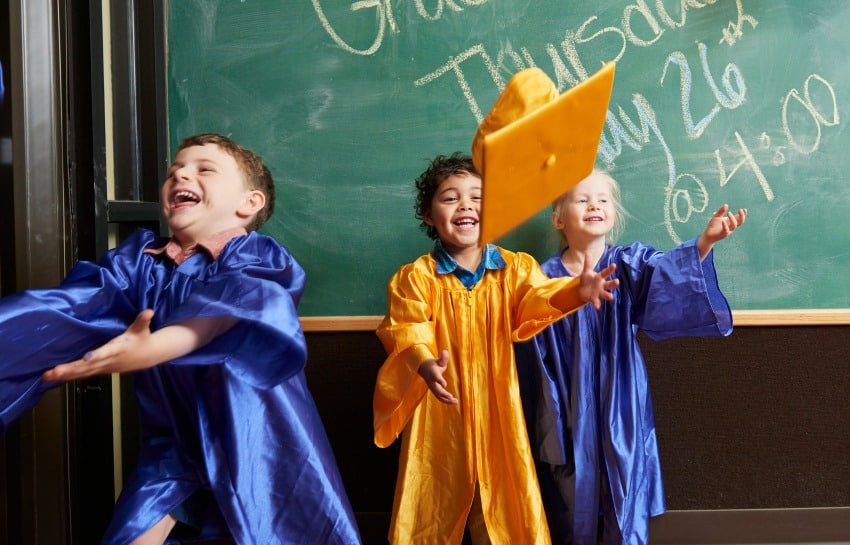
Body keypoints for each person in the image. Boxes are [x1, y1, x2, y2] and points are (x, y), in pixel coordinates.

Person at [0, 133, 362, 545]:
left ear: (249, 204)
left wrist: (153, 347)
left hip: (255, 443)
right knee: (133, 536)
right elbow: (65, 308)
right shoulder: (139, 263)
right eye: (175, 171)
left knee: (273, 533)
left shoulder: (258, 258)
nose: (181, 174)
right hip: (174, 448)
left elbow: (223, 314)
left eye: (204, 169)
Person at [372, 153, 620, 545]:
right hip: (440, 416)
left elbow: (539, 299)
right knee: (430, 506)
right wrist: (423, 363)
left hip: (499, 410)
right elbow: (407, 328)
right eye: (450, 198)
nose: (466, 205)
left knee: (506, 508)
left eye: (477, 197)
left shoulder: (515, 269)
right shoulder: (415, 278)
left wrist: (577, 290)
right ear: (428, 214)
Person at [514, 169, 747, 545]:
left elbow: (667, 274)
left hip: (620, 401)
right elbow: (530, 343)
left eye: (603, 200)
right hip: (567, 407)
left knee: (624, 488)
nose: (595, 205)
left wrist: (703, 243)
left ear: (613, 214)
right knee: (569, 498)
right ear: (558, 218)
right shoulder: (543, 280)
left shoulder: (627, 264)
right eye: (582, 199)